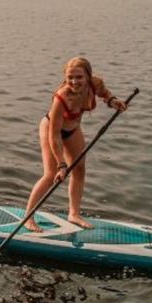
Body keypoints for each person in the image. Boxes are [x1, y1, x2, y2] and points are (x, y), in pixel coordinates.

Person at [24, 56, 127, 232]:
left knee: (79, 169)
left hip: (73, 130)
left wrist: (113, 102)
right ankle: (28, 217)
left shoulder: (95, 83)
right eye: (70, 77)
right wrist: (61, 164)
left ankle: (74, 214)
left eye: (79, 77)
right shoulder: (61, 97)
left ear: (88, 76)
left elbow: (104, 93)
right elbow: (55, 135)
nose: (74, 81)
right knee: (51, 174)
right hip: (51, 130)